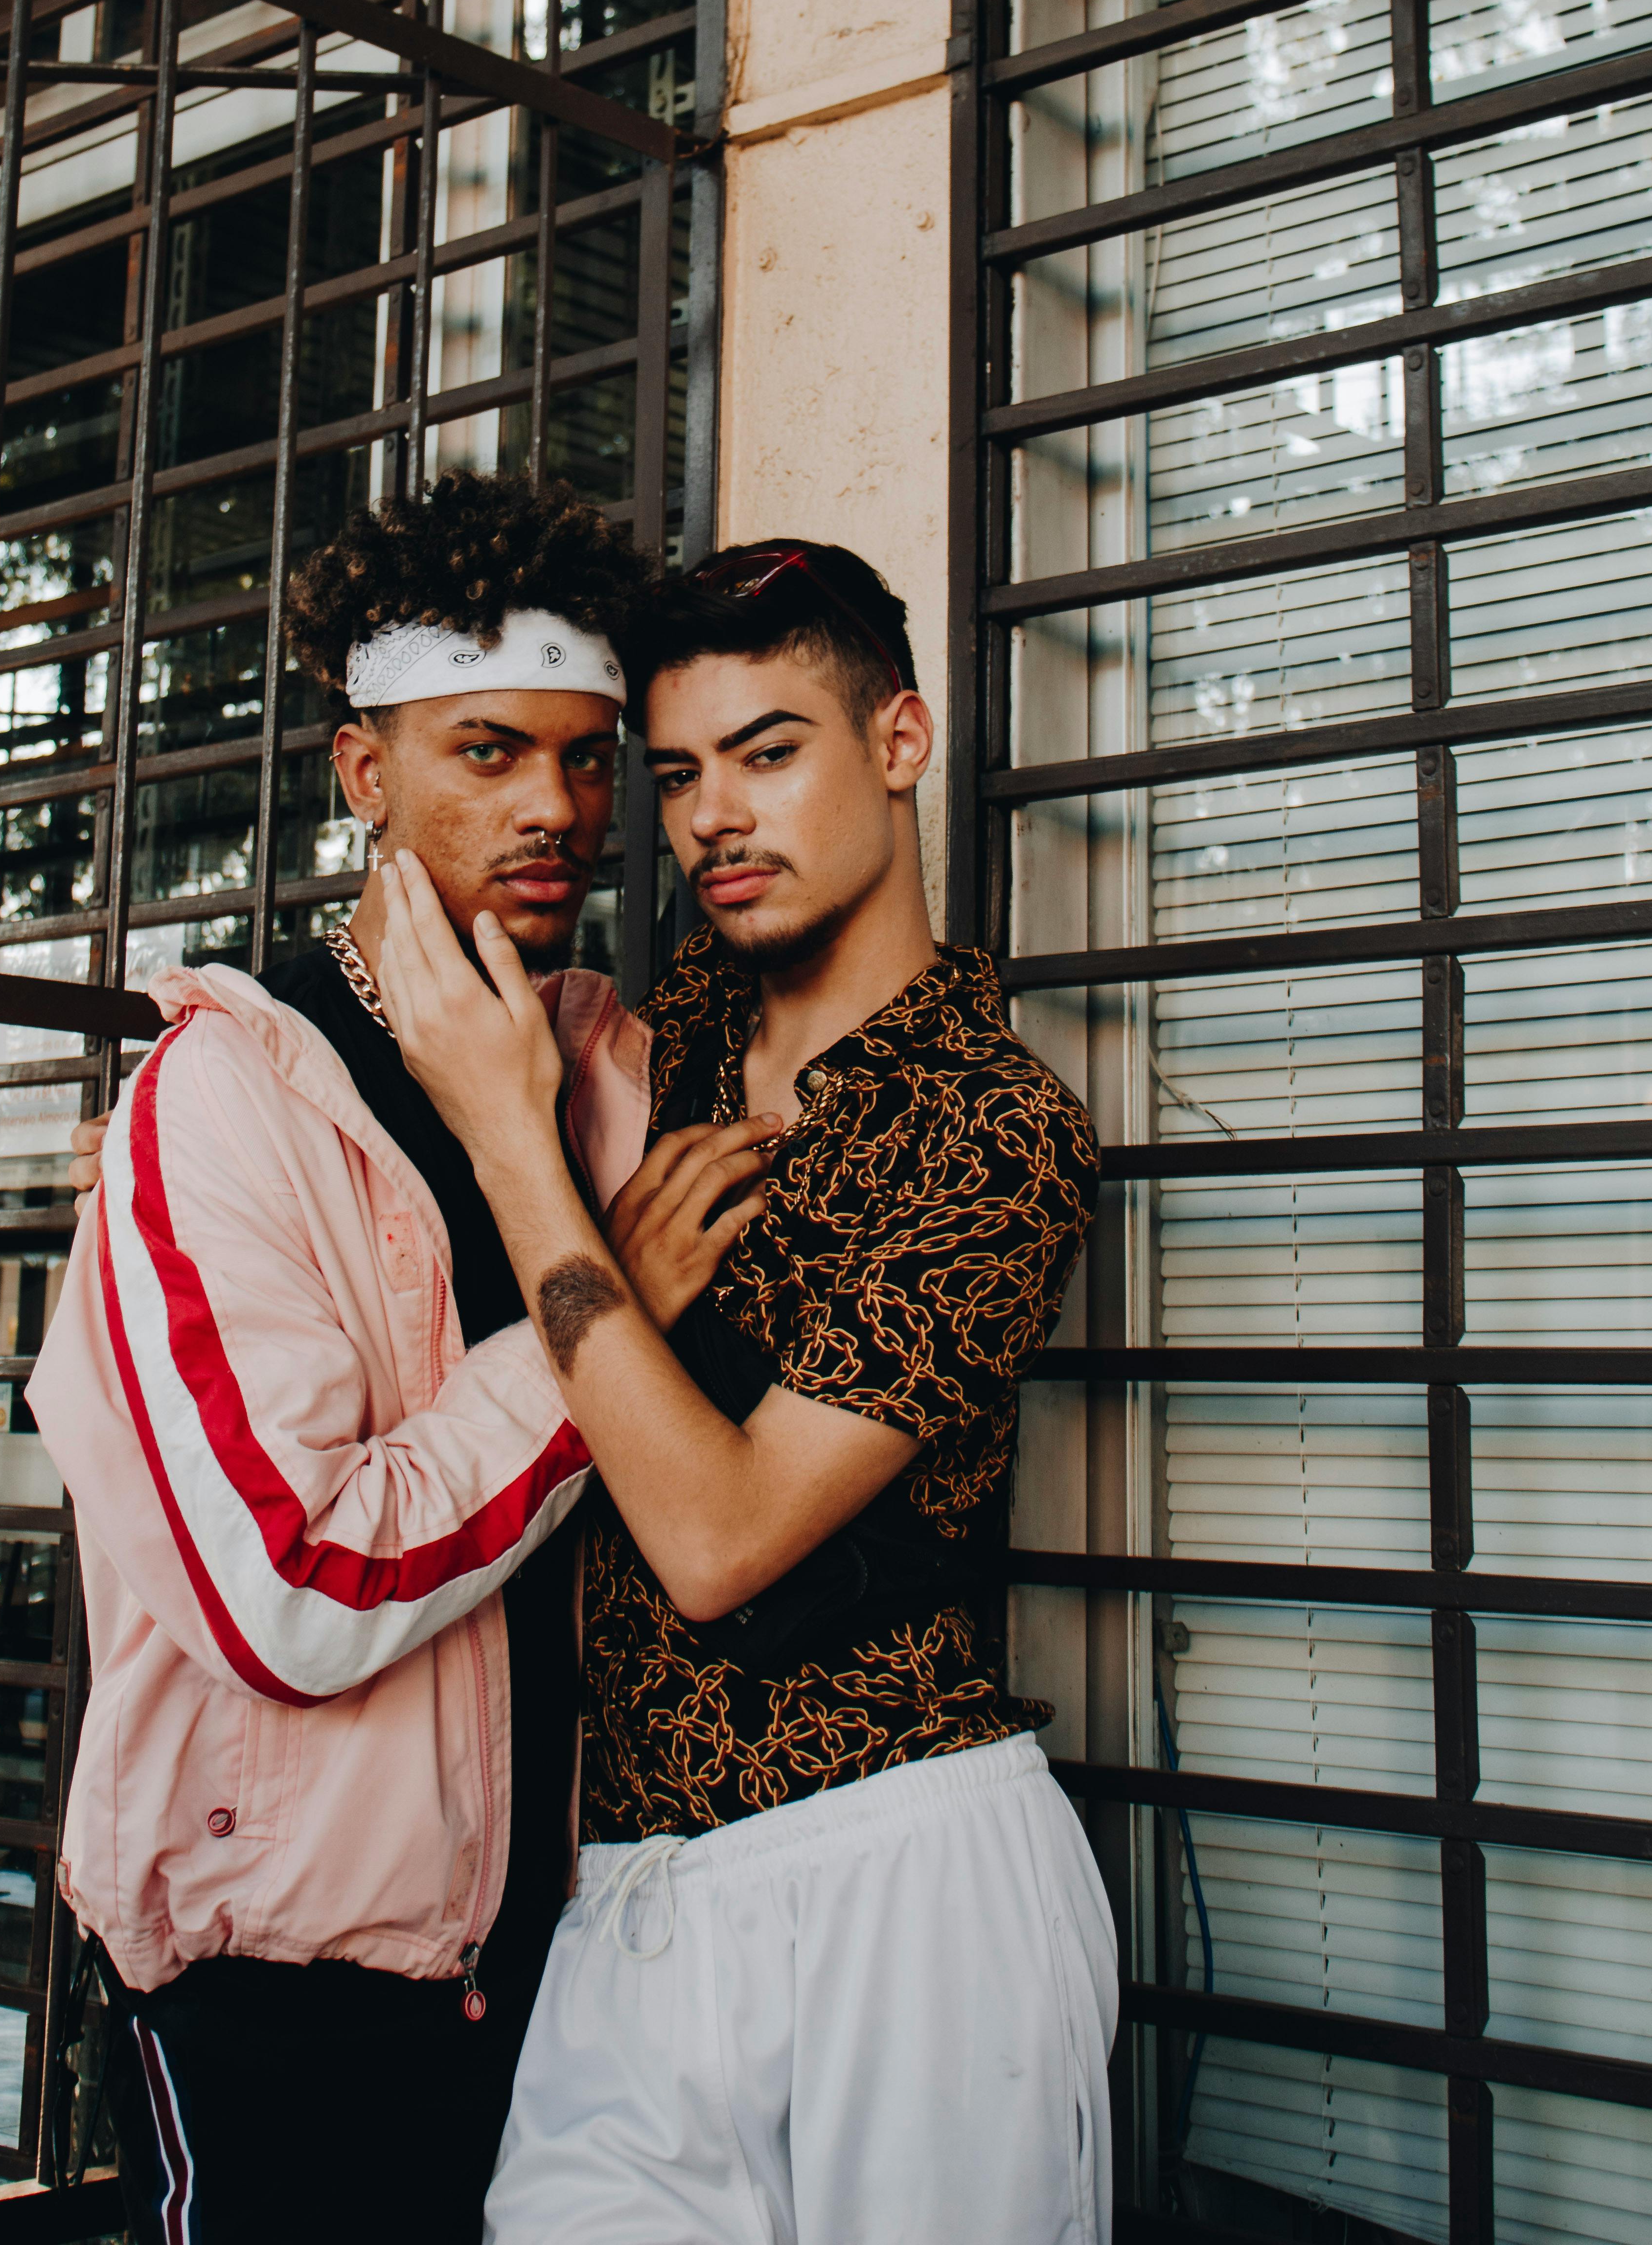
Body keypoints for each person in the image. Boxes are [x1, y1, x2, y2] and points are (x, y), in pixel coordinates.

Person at [29, 473, 765, 2245]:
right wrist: (607, 1321)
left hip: (564, 1950)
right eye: (489, 754)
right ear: (367, 774)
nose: (558, 810)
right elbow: (292, 1579)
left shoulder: (608, 1069)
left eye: (593, 761)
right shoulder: (219, 1106)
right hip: (284, 1974)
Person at [372, 537, 1116, 2245]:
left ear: (901, 745)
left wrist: (514, 1149)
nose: (713, 818)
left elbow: (718, 1540)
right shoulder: (665, 1034)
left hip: (907, 1886)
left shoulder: (999, 1135)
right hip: (624, 1889)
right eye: (684, 771)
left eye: (773, 753)